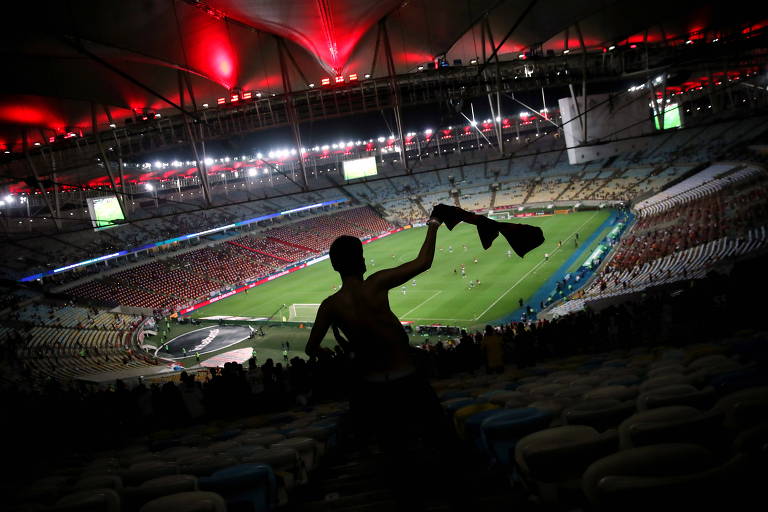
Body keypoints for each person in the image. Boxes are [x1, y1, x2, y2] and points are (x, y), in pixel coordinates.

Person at [305, 216, 462, 509]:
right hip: (408, 379)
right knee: (438, 440)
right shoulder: (375, 285)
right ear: (362, 261)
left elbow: (311, 348)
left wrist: (345, 353)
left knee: (395, 451)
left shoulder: (331, 306)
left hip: (373, 388)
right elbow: (423, 262)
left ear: (335, 266)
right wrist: (433, 226)